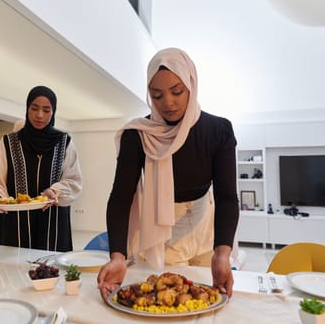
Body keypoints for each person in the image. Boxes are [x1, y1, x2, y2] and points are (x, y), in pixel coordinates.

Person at [97, 48, 239, 301]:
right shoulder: (138, 134)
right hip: (161, 226)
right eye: (157, 95)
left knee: (211, 300)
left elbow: (227, 196)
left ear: (191, 85)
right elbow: (121, 197)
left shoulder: (218, 130)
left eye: (177, 91)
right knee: (169, 299)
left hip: (207, 223)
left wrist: (222, 253)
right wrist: (117, 256)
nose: (168, 103)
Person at [0, 86, 83, 251]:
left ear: (53, 112)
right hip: (13, 226)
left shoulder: (64, 143)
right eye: (34, 108)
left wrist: (56, 191)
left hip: (52, 226)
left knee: (48, 272)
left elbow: (73, 181)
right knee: (13, 271)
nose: (40, 115)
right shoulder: (8, 142)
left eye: (46, 110)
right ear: (27, 109)